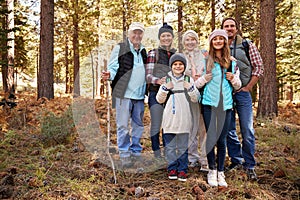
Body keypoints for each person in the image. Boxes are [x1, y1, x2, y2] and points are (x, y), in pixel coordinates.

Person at [195, 29, 241, 187]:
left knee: (222, 139)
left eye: (221, 39)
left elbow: (238, 84)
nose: (218, 41)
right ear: (211, 42)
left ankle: (221, 172)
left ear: (225, 41)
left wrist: (234, 79)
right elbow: (196, 83)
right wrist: (203, 79)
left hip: (226, 105)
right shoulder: (205, 60)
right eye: (215, 39)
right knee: (211, 137)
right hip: (209, 104)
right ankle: (211, 170)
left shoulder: (232, 62)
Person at [221, 17, 264, 180]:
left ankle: (250, 164)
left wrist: (249, 86)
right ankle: (236, 160)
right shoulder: (219, 46)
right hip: (226, 95)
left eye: (232, 26)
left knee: (247, 130)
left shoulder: (247, 45)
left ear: (236, 29)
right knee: (229, 130)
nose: (229, 28)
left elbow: (259, 67)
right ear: (222, 29)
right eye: (226, 26)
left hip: (243, 93)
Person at [102, 22, 147, 168]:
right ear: (129, 34)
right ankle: (124, 153)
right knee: (123, 126)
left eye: (140, 33)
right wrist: (109, 75)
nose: (137, 35)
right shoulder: (120, 48)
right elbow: (113, 67)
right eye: (134, 32)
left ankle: (135, 152)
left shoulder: (144, 51)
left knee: (138, 125)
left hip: (139, 96)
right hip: (123, 94)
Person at [156, 53, 200, 182]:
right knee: (169, 146)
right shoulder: (167, 80)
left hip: (184, 115)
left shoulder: (188, 79)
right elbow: (159, 99)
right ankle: (172, 168)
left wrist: (190, 88)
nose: (178, 66)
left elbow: (196, 98)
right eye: (175, 64)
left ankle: (182, 169)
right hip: (170, 116)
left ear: (184, 66)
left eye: (180, 64)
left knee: (182, 146)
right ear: (171, 66)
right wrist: (165, 88)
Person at [146, 22, 176, 158]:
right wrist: (158, 81)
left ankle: (168, 152)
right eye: (163, 36)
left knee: (169, 123)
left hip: (171, 94)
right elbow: (147, 75)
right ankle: (157, 153)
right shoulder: (154, 53)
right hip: (155, 93)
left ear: (172, 37)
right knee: (156, 123)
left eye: (168, 35)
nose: (166, 38)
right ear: (159, 38)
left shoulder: (176, 55)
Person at [182, 30, 209, 171]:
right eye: (187, 40)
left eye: (193, 39)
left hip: (203, 94)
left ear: (197, 41)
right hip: (188, 95)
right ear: (183, 42)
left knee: (203, 127)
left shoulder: (204, 54)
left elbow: (215, 63)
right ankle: (191, 157)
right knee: (190, 126)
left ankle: (204, 159)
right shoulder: (180, 56)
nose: (190, 42)